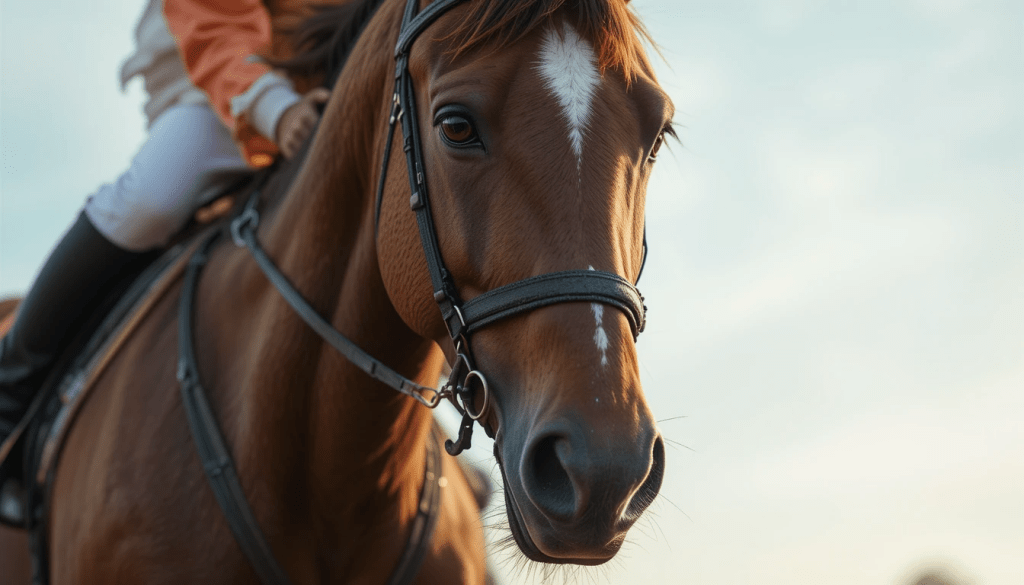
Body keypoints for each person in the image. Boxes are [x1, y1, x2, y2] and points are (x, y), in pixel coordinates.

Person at [0, 0, 328, 489]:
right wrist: (275, 109)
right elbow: (213, 21)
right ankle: (11, 391)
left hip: (352, 98)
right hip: (232, 93)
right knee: (150, 200)